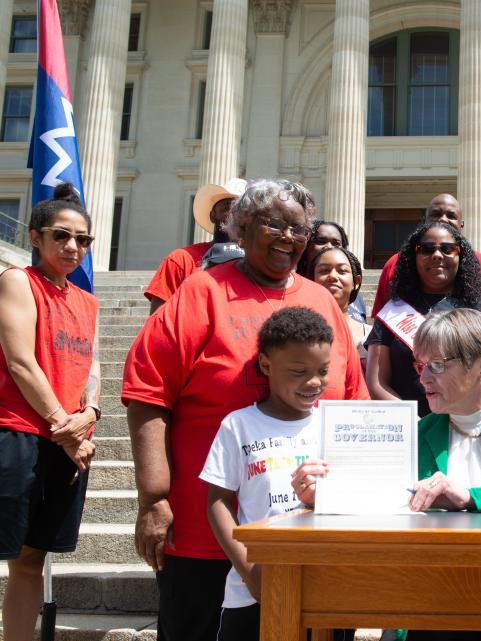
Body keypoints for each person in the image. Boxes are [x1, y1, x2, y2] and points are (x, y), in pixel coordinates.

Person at [122, 179, 368, 641]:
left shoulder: (320, 301)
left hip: (312, 534)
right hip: (206, 533)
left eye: (299, 228)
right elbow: (147, 393)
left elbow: (354, 402)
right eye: (274, 224)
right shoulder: (201, 292)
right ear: (241, 228)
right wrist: (153, 498)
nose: (288, 237)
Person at [293, 308, 481, 641]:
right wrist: (327, 493)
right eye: (420, 366)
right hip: (437, 601)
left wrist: (470, 497)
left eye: (437, 365)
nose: (423, 379)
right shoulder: (418, 433)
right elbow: (385, 501)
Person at [202, 306, 352, 641]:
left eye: (323, 370)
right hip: (254, 591)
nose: (314, 383)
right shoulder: (238, 425)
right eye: (299, 371)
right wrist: (250, 571)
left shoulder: (339, 425)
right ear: (267, 365)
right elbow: (218, 503)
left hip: (329, 591)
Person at [0, 183, 100, 641]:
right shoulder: (18, 281)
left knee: (32, 557)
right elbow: (21, 360)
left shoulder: (87, 301)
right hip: (18, 433)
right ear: (36, 237)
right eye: (61, 235)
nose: (72, 247)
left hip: (64, 441)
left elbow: (93, 367)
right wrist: (66, 424)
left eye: (83, 239)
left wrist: (91, 412)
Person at [366, 222, 481, 417]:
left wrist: (467, 416)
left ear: (460, 255)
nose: (437, 255)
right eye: (426, 249)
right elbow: (377, 383)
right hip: (413, 431)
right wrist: (415, 423)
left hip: (472, 426)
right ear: (413, 257)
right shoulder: (392, 312)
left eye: (448, 249)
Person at [371, 194, 481, 317]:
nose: (443, 219)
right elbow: (382, 319)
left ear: (461, 225)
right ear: (424, 221)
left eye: (451, 216)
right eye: (436, 214)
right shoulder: (395, 264)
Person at [144, 178, 246, 313]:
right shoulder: (181, 259)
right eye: (227, 207)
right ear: (212, 215)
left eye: (240, 210)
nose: (233, 215)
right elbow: (157, 321)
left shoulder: (259, 263)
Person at [312, 245, 370, 370]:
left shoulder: (372, 335)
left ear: (357, 282)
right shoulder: (297, 332)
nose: (333, 276)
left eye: (342, 271)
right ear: (312, 279)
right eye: (324, 271)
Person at [297, 219, 367, 323]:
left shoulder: (354, 296)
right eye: (320, 241)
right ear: (306, 247)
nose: (329, 247)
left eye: (336, 243)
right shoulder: (294, 290)